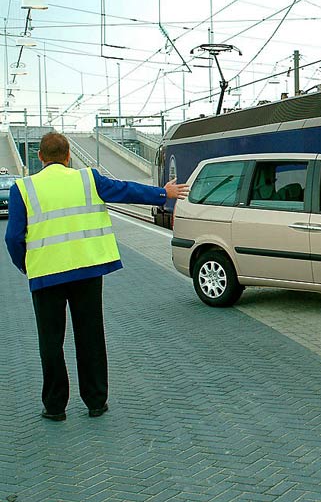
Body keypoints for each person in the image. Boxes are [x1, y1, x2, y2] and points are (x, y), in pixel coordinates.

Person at [3, 132, 189, 422]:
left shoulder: (23, 188)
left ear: (40, 157)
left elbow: (13, 238)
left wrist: (28, 266)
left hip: (46, 276)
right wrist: (164, 193)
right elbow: (125, 190)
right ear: (68, 156)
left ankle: (55, 407)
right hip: (87, 272)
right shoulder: (88, 179)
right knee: (90, 336)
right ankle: (95, 401)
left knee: (51, 342)